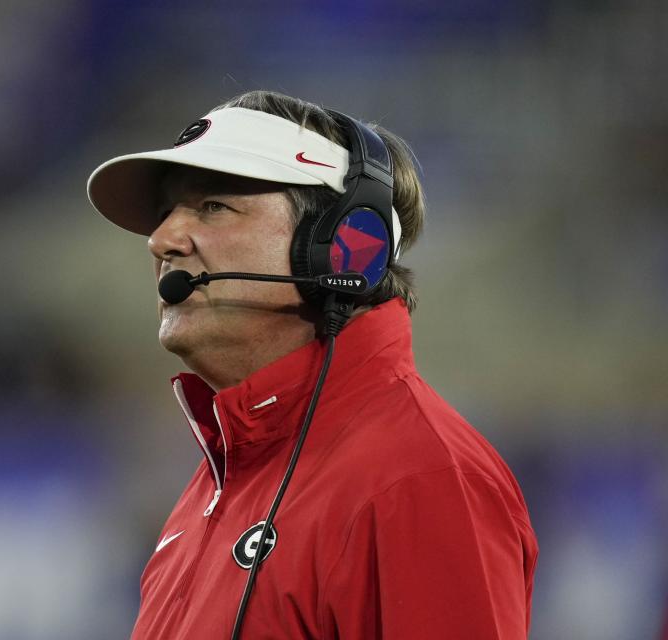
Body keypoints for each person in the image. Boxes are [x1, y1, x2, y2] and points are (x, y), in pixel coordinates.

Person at [86, 90, 538, 639]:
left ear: (343, 246)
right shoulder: (223, 478)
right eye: (164, 213)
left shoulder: (421, 479)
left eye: (213, 206)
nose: (161, 240)